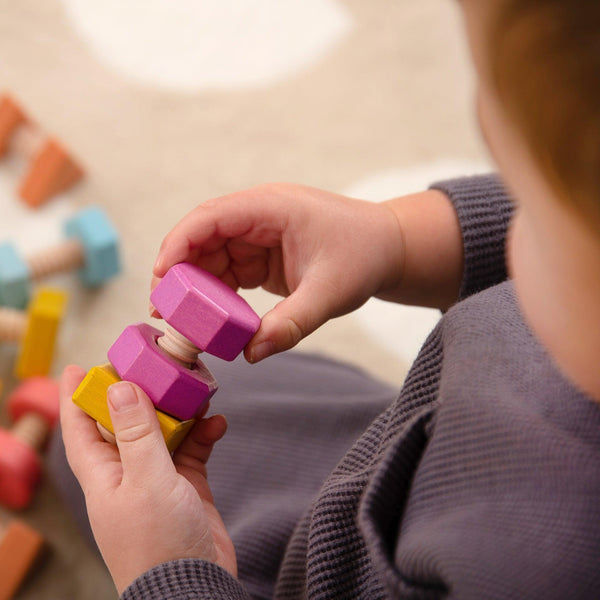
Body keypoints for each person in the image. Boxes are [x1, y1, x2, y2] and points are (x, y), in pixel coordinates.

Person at [53, 0, 600, 597]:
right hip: (401, 451)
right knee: (147, 432)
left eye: (532, 217)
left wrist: (168, 574)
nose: (515, 222)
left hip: (323, 584)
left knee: (122, 492)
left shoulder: (537, 573)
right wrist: (396, 239)